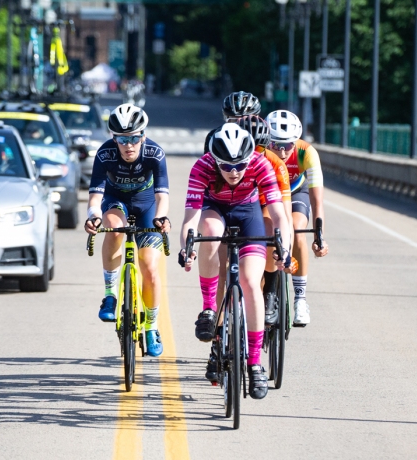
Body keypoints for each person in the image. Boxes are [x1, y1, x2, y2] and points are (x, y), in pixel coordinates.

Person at [179, 123, 291, 400]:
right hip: (215, 209)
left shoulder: (260, 164)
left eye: (239, 165)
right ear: (215, 160)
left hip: (247, 212)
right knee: (211, 234)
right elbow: (190, 220)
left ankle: (254, 363)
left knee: (251, 282)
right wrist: (186, 249)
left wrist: (285, 250)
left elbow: (279, 216)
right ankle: (208, 308)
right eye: (226, 166)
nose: (233, 172)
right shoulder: (202, 166)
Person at [84, 103, 170, 357]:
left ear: (143, 135)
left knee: (150, 268)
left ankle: (152, 327)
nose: (128, 145)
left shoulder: (155, 153)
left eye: (134, 138)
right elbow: (94, 197)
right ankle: (110, 294)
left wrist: (162, 216)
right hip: (115, 200)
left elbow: (162, 195)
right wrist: (93, 217)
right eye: (122, 139)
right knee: (114, 227)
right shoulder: (105, 154)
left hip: (146, 204)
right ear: (114, 138)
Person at [265, 110, 330, 327]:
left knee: (296, 228)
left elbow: (317, 200)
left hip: (295, 192)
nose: (282, 151)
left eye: (288, 145)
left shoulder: (306, 152)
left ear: (297, 142)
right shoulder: (260, 151)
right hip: (269, 194)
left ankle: (300, 298)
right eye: (276, 145)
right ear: (267, 141)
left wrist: (319, 235)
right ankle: (265, 290)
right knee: (266, 232)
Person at [236, 115, 294, 326]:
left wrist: (286, 251)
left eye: (260, 149)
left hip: (264, 204)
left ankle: (270, 289)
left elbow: (285, 215)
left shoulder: (276, 164)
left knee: (270, 227)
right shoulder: (229, 158)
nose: (254, 155)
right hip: (236, 204)